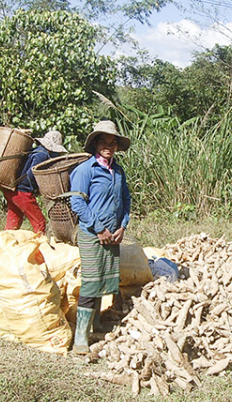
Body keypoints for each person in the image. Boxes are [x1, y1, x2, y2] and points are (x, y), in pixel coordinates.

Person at [69, 120, 132, 355]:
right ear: (95, 144)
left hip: (113, 235)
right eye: (104, 141)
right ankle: (80, 340)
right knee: (91, 282)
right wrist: (98, 228)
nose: (109, 146)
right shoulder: (86, 170)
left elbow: (126, 200)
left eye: (113, 142)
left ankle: (95, 325)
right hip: (92, 235)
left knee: (105, 280)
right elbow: (77, 202)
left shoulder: (117, 170)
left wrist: (122, 226)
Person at [3, 130, 68, 234]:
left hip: (12, 190)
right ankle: (39, 247)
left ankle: (4, 245)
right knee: (40, 223)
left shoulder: (36, 151)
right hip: (22, 193)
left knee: (13, 223)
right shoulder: (42, 155)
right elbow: (32, 174)